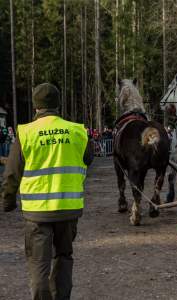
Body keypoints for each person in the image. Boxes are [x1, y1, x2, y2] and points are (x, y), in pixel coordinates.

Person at [2, 83, 94, 299]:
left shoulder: (26, 133)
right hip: (68, 210)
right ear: (58, 104)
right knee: (63, 257)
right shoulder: (77, 131)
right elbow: (88, 159)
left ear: (36, 106)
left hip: (37, 213)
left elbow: (12, 174)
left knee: (38, 263)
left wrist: (7, 201)